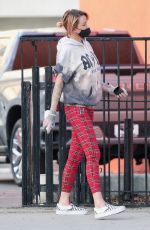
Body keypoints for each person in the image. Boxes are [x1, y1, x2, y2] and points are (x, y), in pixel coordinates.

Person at [43, 9, 128, 219]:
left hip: (87, 108)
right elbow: (59, 83)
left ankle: (63, 202)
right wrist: (51, 114)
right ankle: (100, 205)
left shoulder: (85, 44)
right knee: (93, 153)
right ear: (73, 28)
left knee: (75, 156)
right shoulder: (67, 50)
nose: (87, 28)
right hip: (75, 107)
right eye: (83, 25)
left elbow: (93, 75)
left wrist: (112, 89)